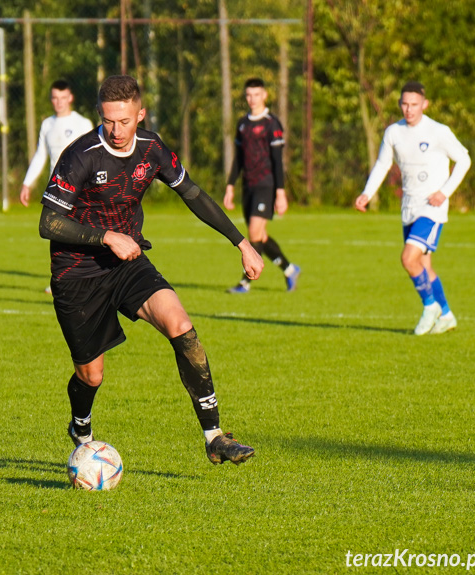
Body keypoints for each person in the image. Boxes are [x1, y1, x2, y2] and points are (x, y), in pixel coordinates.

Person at [39, 75, 263, 466]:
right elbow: (49, 223)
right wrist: (106, 236)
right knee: (92, 376)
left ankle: (214, 436)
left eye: (125, 121)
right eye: (109, 120)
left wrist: (241, 242)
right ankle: (81, 426)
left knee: (181, 325)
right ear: (100, 115)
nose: (116, 130)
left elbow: (192, 193)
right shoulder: (81, 155)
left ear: (140, 114)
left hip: (127, 264)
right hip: (76, 273)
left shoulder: (152, 148)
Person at [355, 82, 470, 335]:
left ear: (424, 105)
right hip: (409, 207)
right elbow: (383, 165)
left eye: (414, 104)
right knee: (424, 266)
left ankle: (430, 306)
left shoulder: (438, 131)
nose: (409, 109)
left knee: (408, 258)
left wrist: (444, 192)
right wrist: (367, 193)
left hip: (432, 207)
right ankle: (447, 315)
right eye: (405, 104)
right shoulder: (393, 132)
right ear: (400, 105)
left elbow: (464, 159)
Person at [223, 77, 300, 294]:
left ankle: (244, 282)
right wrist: (230, 185)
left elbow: (277, 161)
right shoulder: (243, 124)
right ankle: (289, 269)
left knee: (255, 233)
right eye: (248, 95)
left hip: (266, 185)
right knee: (260, 236)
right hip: (248, 187)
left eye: (256, 94)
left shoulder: (271, 123)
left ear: (265, 95)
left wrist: (281, 193)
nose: (252, 99)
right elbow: (238, 158)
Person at [20, 80, 93, 207]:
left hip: (80, 191)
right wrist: (27, 183)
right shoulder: (47, 124)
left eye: (63, 98)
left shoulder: (83, 124)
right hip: (55, 190)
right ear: (51, 99)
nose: (59, 102)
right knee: (53, 226)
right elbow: (40, 156)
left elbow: (92, 158)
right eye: (55, 98)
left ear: (70, 98)